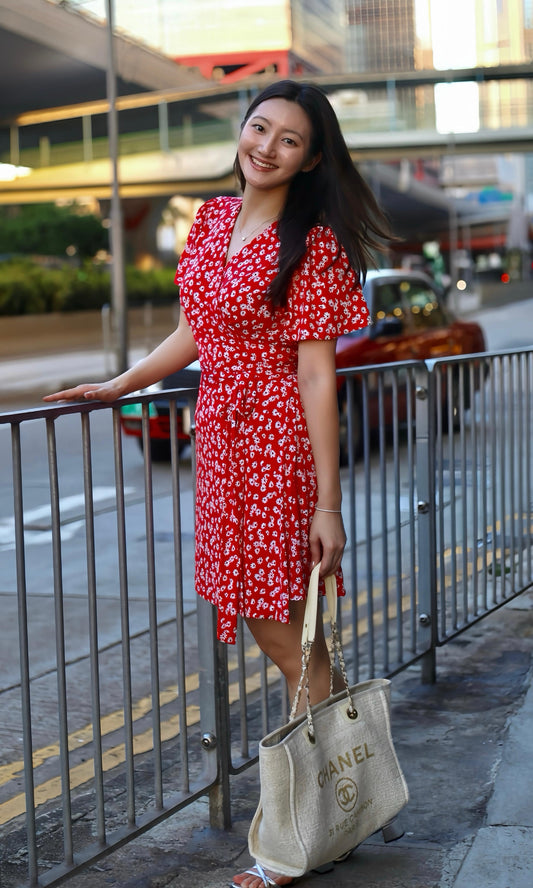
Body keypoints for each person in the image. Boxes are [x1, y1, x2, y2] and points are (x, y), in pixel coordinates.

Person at [44, 80, 394, 888]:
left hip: (276, 449)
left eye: (288, 140)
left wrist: (328, 503)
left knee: (284, 636)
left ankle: (294, 838)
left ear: (310, 160)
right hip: (223, 450)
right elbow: (194, 330)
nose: (265, 147)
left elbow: (316, 375)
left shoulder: (312, 245)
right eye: (259, 128)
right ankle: (349, 794)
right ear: (242, 130)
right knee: (295, 639)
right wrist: (119, 385)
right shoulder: (209, 221)